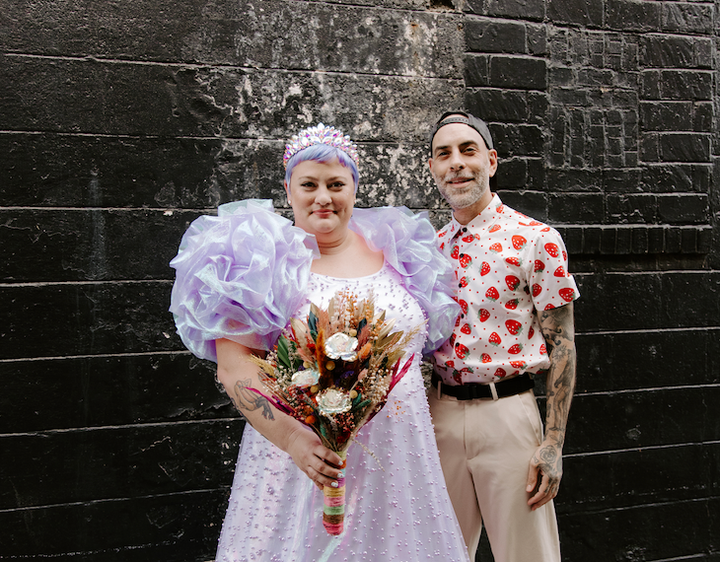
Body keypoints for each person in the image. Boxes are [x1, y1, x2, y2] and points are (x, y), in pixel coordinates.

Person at [169, 123, 471, 562]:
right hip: (301, 460)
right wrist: (294, 441)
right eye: (309, 184)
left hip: (399, 457)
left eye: (336, 184)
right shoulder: (261, 259)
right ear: (288, 188)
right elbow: (235, 367)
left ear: (354, 188)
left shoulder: (398, 249)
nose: (323, 197)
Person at [426, 111, 579, 562]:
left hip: (508, 414)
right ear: (431, 168)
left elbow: (563, 344)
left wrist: (553, 445)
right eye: (443, 154)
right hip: (439, 417)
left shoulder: (536, 239)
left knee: (526, 555)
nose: (455, 162)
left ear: (491, 161)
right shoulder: (427, 250)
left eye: (467, 150)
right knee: (438, 552)